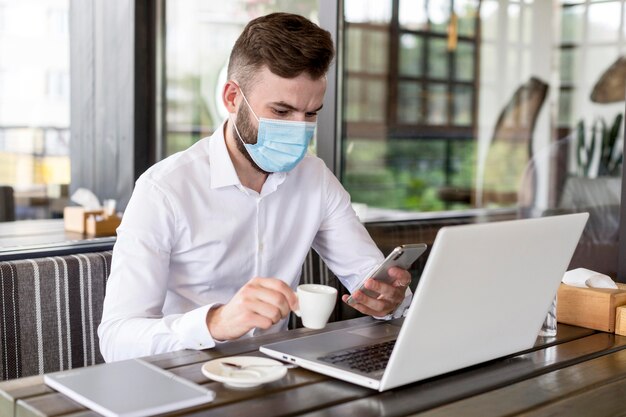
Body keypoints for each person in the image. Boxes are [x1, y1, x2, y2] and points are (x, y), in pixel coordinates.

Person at [98, 12, 412, 362]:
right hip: (184, 375)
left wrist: (389, 301)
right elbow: (116, 339)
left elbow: (373, 282)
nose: (299, 129)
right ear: (232, 98)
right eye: (281, 111)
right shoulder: (164, 190)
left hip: (277, 374)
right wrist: (215, 322)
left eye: (310, 115)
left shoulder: (316, 179)